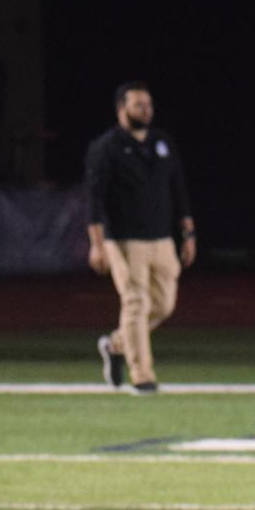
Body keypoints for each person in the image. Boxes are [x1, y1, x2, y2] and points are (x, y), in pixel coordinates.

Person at [84, 82, 195, 392]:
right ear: (122, 109)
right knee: (135, 302)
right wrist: (96, 244)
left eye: (148, 105)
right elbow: (94, 200)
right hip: (123, 238)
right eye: (138, 105)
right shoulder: (105, 148)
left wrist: (188, 233)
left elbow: (179, 189)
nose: (146, 110)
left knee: (163, 304)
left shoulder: (162, 142)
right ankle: (142, 374)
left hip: (161, 237)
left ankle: (117, 344)